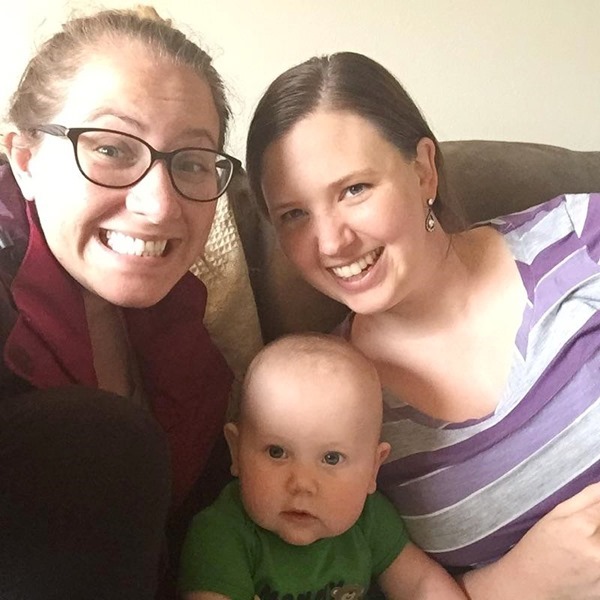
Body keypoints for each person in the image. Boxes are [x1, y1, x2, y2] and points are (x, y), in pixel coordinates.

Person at [245, 52, 600, 599]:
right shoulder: (325, 401)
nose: (332, 242)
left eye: (354, 189)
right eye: (294, 214)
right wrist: (517, 582)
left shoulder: (580, 237)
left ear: (422, 170)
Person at [0, 6, 240, 599]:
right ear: (25, 160)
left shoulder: (191, 346)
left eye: (191, 162)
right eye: (110, 149)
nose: (158, 206)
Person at [179, 333, 467, 600]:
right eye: (277, 452)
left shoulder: (369, 519)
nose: (302, 483)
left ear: (373, 469)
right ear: (236, 452)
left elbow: (421, 583)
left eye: (332, 458)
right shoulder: (220, 535)